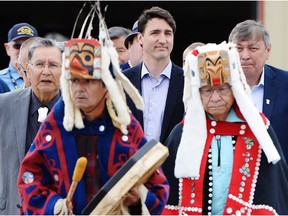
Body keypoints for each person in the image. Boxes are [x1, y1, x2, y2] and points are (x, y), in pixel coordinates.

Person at [17, 8, 169, 215]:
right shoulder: (57, 122)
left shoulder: (125, 125)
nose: (79, 88)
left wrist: (139, 198)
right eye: (74, 81)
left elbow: (158, 188)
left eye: (88, 81)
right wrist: (55, 206)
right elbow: (29, 178)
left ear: (107, 87)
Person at [162, 42, 288, 215]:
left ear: (235, 90)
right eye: (207, 90)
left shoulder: (258, 130)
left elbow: (274, 193)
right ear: (197, 93)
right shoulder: (183, 134)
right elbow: (167, 193)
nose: (215, 98)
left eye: (222, 89)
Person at [0, 38, 62, 215]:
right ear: (28, 69)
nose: (46, 71)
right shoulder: (3, 106)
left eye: (53, 65)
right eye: (39, 64)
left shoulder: (77, 111)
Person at [228, 19, 288, 163]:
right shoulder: (219, 86)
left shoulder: (284, 83)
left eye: (253, 49)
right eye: (239, 49)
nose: (245, 56)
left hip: (277, 176)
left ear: (268, 51)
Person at [123, 6, 184, 144]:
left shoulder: (188, 82)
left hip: (173, 164)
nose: (162, 40)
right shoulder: (122, 82)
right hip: (129, 163)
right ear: (140, 38)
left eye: (168, 33)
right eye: (155, 33)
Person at [0, 22, 38, 91]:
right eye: (17, 46)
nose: (22, 51)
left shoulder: (46, 78)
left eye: (28, 46)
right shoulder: (1, 80)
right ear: (7, 48)